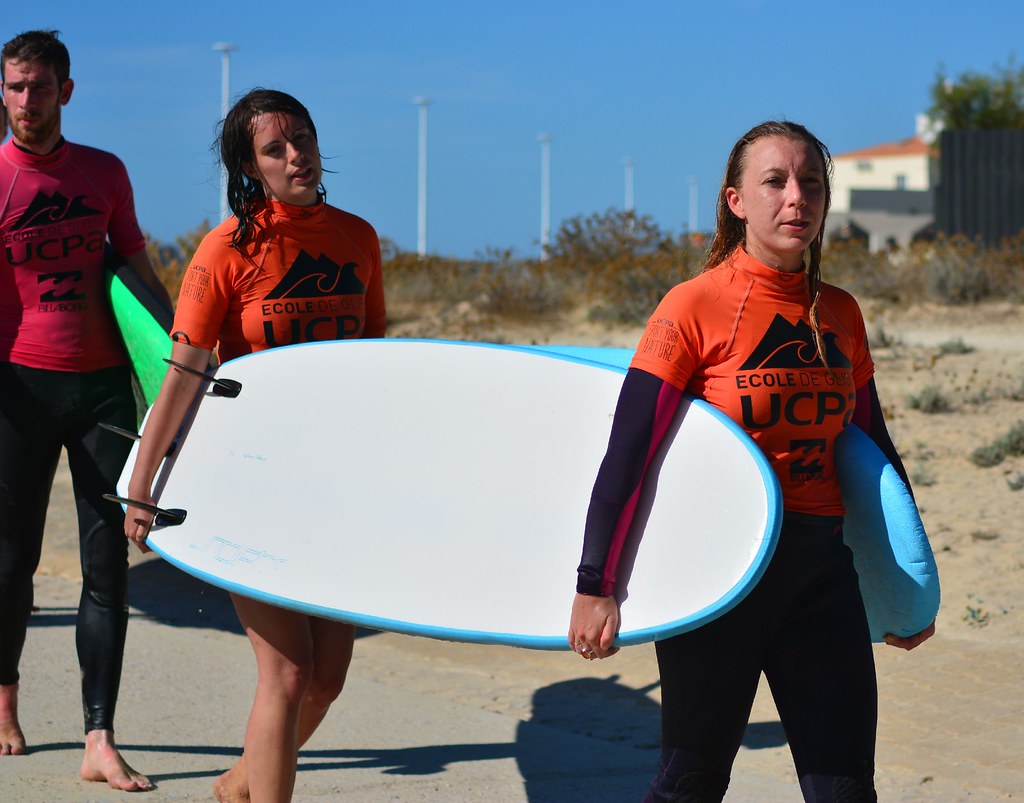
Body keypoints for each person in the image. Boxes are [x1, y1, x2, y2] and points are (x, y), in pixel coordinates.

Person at [567, 121, 935, 803]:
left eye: (811, 183)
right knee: (691, 785)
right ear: (735, 200)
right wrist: (598, 581)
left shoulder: (842, 316)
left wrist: (908, 583)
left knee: (846, 789)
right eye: (776, 181)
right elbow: (630, 450)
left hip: (821, 579)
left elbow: (875, 451)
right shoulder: (693, 306)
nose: (797, 198)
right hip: (718, 581)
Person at [122, 87, 386, 803]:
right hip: (249, 480)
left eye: (302, 138)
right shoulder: (228, 249)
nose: (296, 155)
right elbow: (182, 372)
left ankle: (241, 779)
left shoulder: (356, 237)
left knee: (327, 678)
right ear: (250, 166)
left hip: (334, 484)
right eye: (275, 148)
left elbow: (378, 359)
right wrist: (142, 486)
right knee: (287, 673)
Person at [0, 29, 172, 790]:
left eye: (39, 87)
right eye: (13, 87)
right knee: (11, 566)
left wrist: (177, 361)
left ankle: (98, 736)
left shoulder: (105, 172)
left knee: (109, 567)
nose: (25, 102)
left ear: (66, 91)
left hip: (103, 387)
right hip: (19, 391)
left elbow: (136, 265)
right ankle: (4, 697)